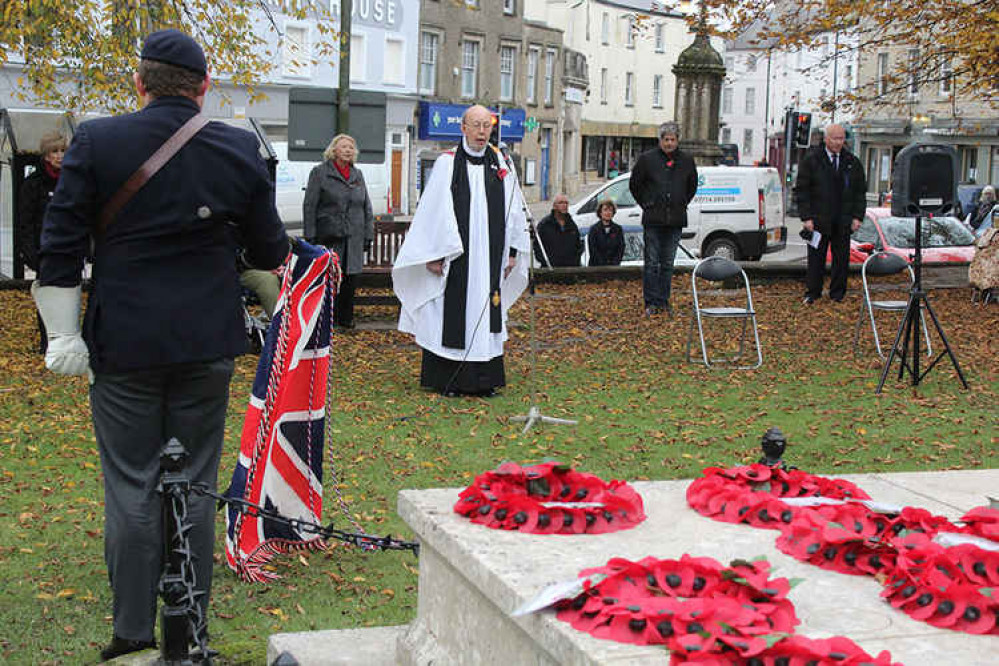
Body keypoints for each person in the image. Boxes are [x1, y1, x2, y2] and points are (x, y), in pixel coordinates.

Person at [32, 29, 289, 662]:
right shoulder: (235, 147)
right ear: (204, 89)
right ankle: (189, 627)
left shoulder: (97, 140)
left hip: (125, 342)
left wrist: (63, 334)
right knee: (196, 484)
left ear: (139, 84)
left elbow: (58, 247)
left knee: (130, 486)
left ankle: (133, 632)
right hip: (206, 341)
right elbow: (269, 251)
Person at [392, 104, 529, 396]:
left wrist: (512, 251)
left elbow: (513, 210)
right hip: (457, 257)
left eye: (486, 125)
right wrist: (434, 253)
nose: (482, 132)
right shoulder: (446, 163)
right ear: (463, 128)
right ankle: (449, 380)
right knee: (451, 312)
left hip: (490, 257)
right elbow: (433, 211)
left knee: (484, 311)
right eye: (475, 125)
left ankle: (483, 380)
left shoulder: (501, 164)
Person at [303, 134, 374, 328]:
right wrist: (310, 235)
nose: (348, 150)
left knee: (351, 278)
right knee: (331, 277)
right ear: (334, 150)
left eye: (351, 147)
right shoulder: (319, 173)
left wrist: (369, 234)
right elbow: (310, 205)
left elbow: (366, 206)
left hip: (355, 235)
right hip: (330, 235)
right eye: (344, 146)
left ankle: (346, 318)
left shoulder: (358, 175)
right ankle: (327, 319)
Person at [628, 121, 699, 316]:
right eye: (666, 139)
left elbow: (692, 186)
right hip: (653, 219)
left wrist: (681, 202)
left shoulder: (686, 161)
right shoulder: (646, 160)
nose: (669, 143)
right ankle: (650, 301)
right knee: (652, 262)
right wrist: (647, 203)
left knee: (668, 263)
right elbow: (635, 184)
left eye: (672, 140)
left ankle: (663, 300)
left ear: (678, 141)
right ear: (660, 140)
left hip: (675, 219)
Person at [794, 123, 866, 304]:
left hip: (843, 219)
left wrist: (857, 217)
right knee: (816, 258)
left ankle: (838, 293)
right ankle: (813, 292)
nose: (838, 142)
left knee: (841, 259)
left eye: (841, 138)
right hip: (818, 219)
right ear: (826, 139)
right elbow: (802, 190)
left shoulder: (851, 162)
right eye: (835, 138)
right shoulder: (812, 161)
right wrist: (806, 217)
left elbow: (859, 192)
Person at [18, 131, 67, 353]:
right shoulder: (33, 184)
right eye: (54, 152)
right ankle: (47, 342)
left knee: (69, 297)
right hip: (43, 252)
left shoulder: (73, 180)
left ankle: (67, 340)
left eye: (63, 151)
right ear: (46, 156)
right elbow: (25, 223)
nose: (59, 156)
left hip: (68, 250)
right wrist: (31, 255)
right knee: (47, 298)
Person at [533, 193, 582, 267]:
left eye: (566, 203)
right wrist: (545, 261)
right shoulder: (545, 224)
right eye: (561, 203)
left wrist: (575, 261)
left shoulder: (571, 224)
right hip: (550, 268)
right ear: (554, 206)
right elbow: (537, 245)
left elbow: (578, 245)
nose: (564, 205)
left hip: (570, 268)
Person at [587, 198, 625, 266]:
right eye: (605, 210)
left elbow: (620, 248)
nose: (608, 213)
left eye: (610, 210)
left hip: (614, 268)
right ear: (600, 212)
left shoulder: (618, 229)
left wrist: (614, 263)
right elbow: (593, 250)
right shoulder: (594, 229)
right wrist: (603, 265)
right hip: (596, 268)